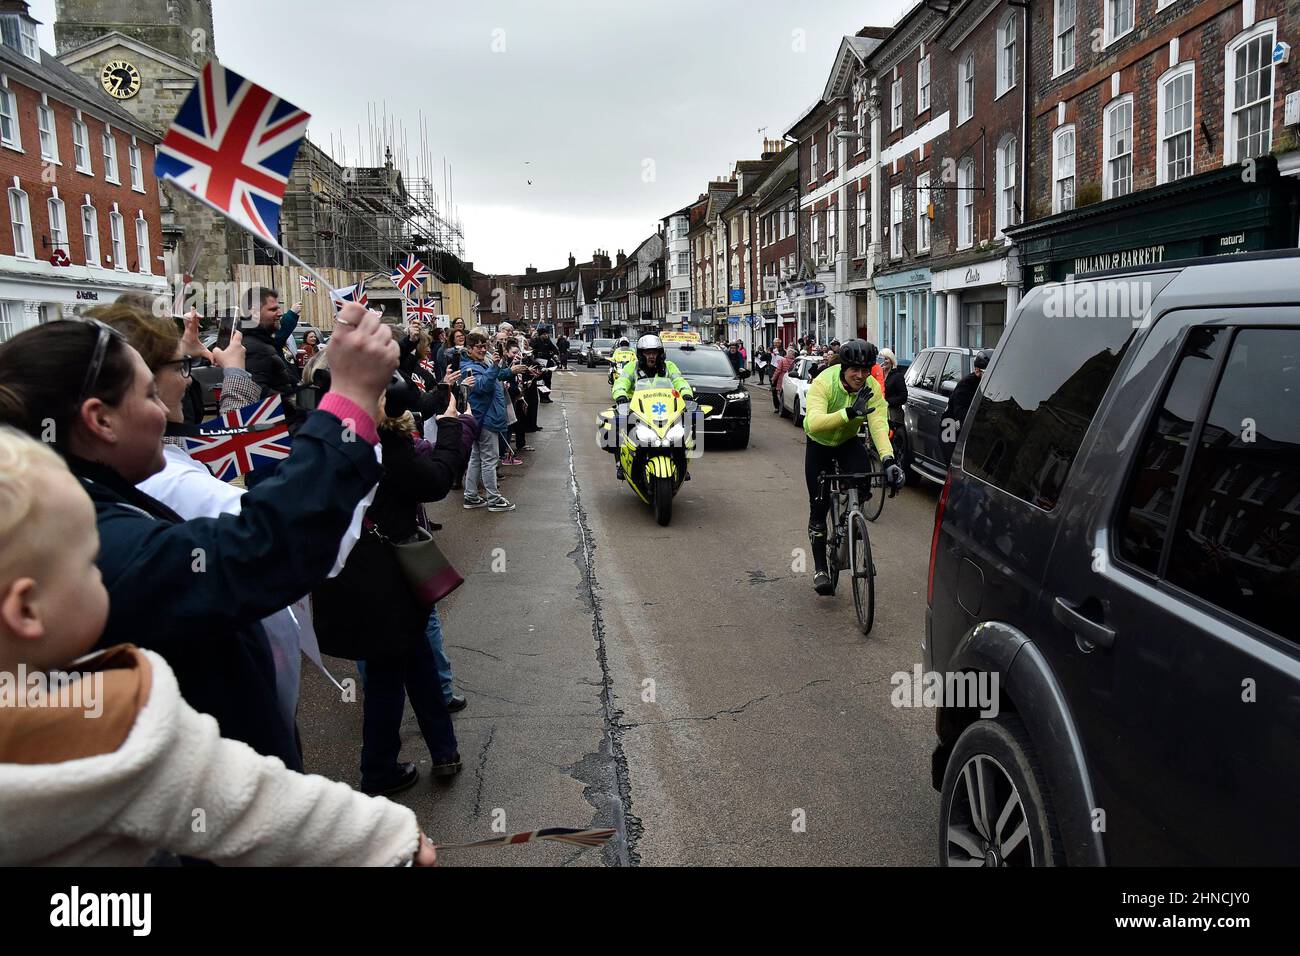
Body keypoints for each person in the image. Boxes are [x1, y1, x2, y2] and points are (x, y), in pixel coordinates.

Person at [0, 426, 438, 867]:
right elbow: (254, 804)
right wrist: (391, 837)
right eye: (88, 561)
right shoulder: (120, 719)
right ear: (27, 610)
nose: (103, 571)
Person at [0, 302, 397, 770]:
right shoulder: (81, 535)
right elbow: (264, 546)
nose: (174, 402)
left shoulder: (93, 501)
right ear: (99, 419)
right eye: (149, 395)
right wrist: (349, 400)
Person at [338, 378, 470, 794]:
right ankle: (378, 772)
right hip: (389, 574)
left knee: (415, 663)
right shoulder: (380, 446)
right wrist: (451, 425)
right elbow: (435, 480)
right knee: (387, 676)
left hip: (357, 572)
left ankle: (444, 751)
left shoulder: (328, 439)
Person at [802, 339, 905, 596]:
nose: (860, 375)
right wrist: (848, 413)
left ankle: (851, 519)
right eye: (854, 370)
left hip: (847, 442)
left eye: (865, 369)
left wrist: (889, 460)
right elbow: (812, 423)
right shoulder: (824, 383)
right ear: (844, 368)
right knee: (819, 505)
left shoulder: (870, 386)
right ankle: (820, 569)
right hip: (820, 444)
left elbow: (879, 424)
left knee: (863, 479)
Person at [461, 332, 527, 512]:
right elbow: (483, 386)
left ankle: (471, 495)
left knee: (476, 458)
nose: (483, 349)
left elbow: (494, 376)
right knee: (489, 460)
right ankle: (494, 499)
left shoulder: (480, 363)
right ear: (469, 349)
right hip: (485, 419)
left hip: (483, 418)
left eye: (484, 346)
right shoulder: (469, 367)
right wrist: (495, 366)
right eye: (479, 347)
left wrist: (508, 371)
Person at [612, 334, 693, 410]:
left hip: (666, 408)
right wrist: (621, 395)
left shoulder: (669, 366)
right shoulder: (632, 367)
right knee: (619, 421)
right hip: (636, 409)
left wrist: (686, 394)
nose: (651, 356)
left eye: (654, 353)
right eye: (647, 353)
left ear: (660, 354)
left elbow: (679, 381)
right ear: (641, 354)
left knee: (694, 418)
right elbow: (621, 382)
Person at [940, 348, 991, 463]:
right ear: (977, 370)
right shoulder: (965, 385)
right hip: (951, 427)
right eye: (988, 373)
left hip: (972, 426)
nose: (991, 377)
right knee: (954, 466)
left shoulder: (992, 385)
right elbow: (962, 415)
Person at [771, 346, 796, 413]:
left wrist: (773, 379)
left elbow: (778, 371)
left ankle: (781, 408)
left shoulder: (782, 360)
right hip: (791, 378)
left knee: (781, 393)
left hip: (782, 377)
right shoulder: (795, 361)